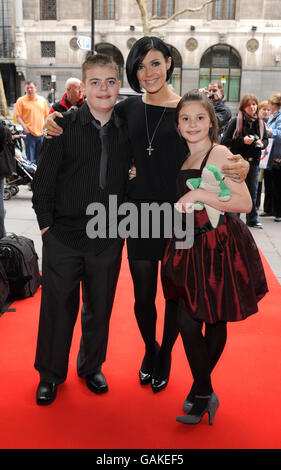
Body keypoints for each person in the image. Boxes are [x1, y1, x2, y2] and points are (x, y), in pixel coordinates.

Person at [43, 36, 249, 395]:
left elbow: (210, 145)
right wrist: (55, 119)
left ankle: (164, 355)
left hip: (178, 214)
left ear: (169, 62)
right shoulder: (127, 109)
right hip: (137, 214)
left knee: (173, 296)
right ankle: (149, 347)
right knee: (142, 297)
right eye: (140, 65)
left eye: (155, 62)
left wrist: (239, 164)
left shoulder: (185, 108)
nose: (148, 71)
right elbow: (96, 122)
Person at [161, 90, 268, 425]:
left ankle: (202, 391)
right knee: (189, 321)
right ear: (178, 125)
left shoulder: (219, 152)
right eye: (185, 118)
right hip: (189, 244)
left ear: (212, 122)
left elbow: (244, 204)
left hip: (218, 245)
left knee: (210, 319)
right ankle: (204, 390)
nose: (192, 124)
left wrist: (198, 192)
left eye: (199, 118)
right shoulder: (184, 158)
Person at [32, 53, 132, 405]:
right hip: (63, 236)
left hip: (107, 237)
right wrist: (46, 230)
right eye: (95, 82)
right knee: (58, 308)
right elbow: (42, 184)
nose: (103, 89)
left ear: (119, 85)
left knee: (99, 307)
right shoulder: (63, 126)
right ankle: (50, 374)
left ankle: (91, 366)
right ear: (83, 88)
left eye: (110, 81)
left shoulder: (127, 131)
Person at [222, 93, 268, 228]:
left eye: (254, 105)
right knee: (235, 190)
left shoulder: (260, 123)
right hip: (238, 162)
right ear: (243, 107)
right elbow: (225, 141)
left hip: (253, 161)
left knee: (252, 191)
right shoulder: (236, 121)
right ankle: (234, 219)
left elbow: (265, 139)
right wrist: (243, 141)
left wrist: (262, 143)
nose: (252, 108)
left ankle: (252, 219)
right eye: (249, 105)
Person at [15, 81, 49, 164]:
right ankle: (32, 176)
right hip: (29, 133)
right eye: (27, 88)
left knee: (41, 157)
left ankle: (40, 175)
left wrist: (46, 131)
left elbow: (47, 117)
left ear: (36, 88)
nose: (29, 90)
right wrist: (25, 128)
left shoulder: (42, 100)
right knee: (31, 158)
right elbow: (18, 117)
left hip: (41, 133)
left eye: (31, 88)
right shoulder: (21, 100)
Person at [266, 93, 281, 222]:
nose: (269, 106)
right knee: (270, 183)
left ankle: (278, 212)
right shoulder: (273, 116)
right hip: (271, 154)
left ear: (276, 105)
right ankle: (270, 209)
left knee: (277, 184)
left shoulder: (280, 117)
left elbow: (279, 134)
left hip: (278, 155)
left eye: (270, 104)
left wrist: (268, 131)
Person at [256, 100, 271, 212]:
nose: (266, 112)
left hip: (269, 156)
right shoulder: (256, 122)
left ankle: (266, 207)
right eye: (263, 109)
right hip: (259, 155)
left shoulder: (271, 123)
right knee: (258, 180)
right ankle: (256, 204)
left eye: (268, 110)